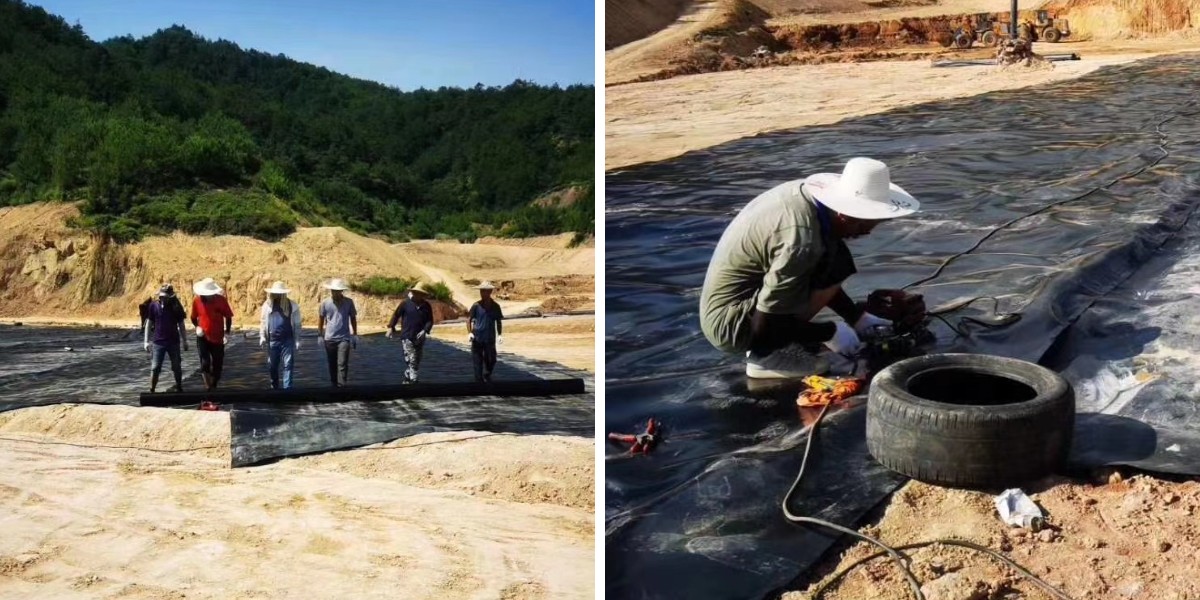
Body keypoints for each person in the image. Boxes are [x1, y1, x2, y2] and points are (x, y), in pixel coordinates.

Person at [699, 157, 921, 379]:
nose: (866, 233)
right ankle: (765, 357)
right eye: (864, 225)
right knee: (818, 254)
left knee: (835, 255)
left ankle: (785, 339)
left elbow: (825, 267)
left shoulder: (810, 202)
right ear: (844, 214)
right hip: (730, 326)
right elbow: (768, 323)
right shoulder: (801, 243)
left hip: (747, 301)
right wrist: (830, 332)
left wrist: (856, 318)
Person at [190, 277, 234, 391]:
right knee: (205, 362)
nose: (206, 297)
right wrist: (197, 327)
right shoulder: (196, 301)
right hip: (203, 337)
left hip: (218, 337)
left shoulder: (221, 300)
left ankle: (214, 385)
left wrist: (227, 333)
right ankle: (208, 388)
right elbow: (193, 317)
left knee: (217, 364)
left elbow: (228, 316)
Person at [143, 284, 189, 393]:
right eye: (161, 296)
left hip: (173, 341)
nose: (163, 298)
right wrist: (146, 341)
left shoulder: (176, 306)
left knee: (176, 366)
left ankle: (179, 387)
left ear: (170, 296)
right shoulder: (153, 306)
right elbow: (149, 324)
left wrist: (185, 340)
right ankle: (152, 389)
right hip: (158, 342)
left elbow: (181, 324)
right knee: (155, 367)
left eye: (165, 297)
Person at [259, 280, 302, 390]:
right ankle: (274, 387)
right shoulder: (267, 305)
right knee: (273, 365)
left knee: (288, 364)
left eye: (279, 293)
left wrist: (297, 339)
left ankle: (287, 388)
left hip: (287, 340)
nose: (276, 295)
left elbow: (297, 324)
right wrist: (262, 336)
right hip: (273, 340)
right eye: (275, 293)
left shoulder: (292, 306)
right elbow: (263, 322)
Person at [387, 285, 434, 383]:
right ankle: (414, 381)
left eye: (421, 294)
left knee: (417, 359)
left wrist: (425, 331)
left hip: (420, 337)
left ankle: (407, 376)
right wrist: (391, 327)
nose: (418, 295)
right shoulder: (405, 303)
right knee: (412, 359)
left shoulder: (426, 306)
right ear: (413, 293)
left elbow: (430, 320)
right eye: (416, 293)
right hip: (407, 335)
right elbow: (396, 315)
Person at [318, 277, 358, 387]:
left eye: (337, 291)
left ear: (341, 291)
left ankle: (342, 386)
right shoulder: (325, 303)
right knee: (332, 364)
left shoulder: (349, 302)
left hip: (344, 338)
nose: (334, 293)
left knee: (342, 363)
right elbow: (321, 318)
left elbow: (353, 318)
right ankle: (333, 385)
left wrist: (355, 334)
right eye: (333, 291)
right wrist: (320, 334)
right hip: (329, 338)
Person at [467, 281, 504, 383]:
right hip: (477, 337)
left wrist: (500, 334)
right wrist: (470, 332)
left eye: (485, 291)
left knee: (491, 359)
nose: (483, 293)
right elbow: (469, 319)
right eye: (481, 291)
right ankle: (478, 381)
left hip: (489, 337)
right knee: (477, 360)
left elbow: (498, 321)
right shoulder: (476, 305)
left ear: (490, 292)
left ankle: (487, 373)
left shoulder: (496, 306)